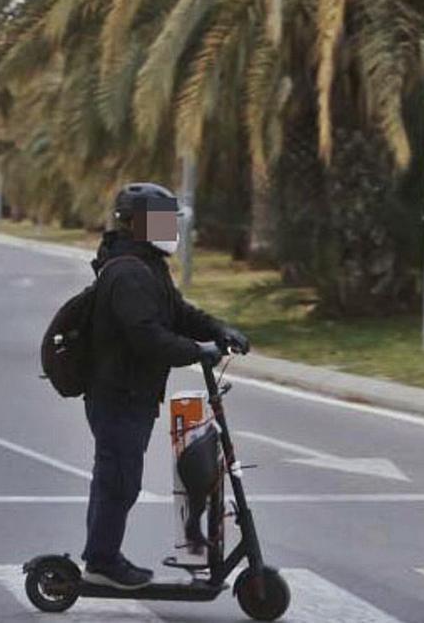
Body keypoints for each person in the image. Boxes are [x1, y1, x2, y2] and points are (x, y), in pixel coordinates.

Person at [81, 182, 249, 589]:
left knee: (117, 476)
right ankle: (102, 562)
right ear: (138, 225)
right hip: (117, 394)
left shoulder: (147, 266)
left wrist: (216, 329)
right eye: (161, 220)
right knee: (119, 479)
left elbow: (177, 313)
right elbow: (148, 337)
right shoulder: (127, 273)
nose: (170, 228)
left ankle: (101, 557)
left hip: (133, 393)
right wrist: (198, 351)